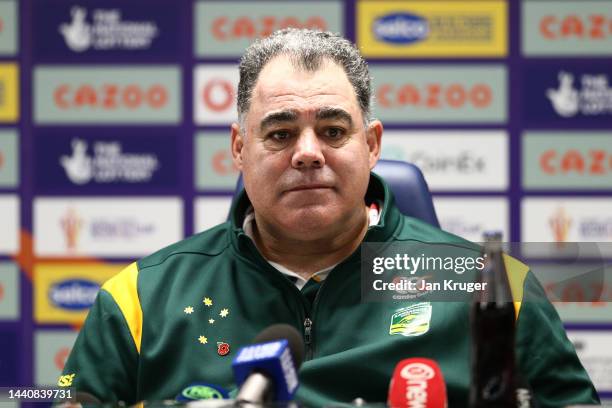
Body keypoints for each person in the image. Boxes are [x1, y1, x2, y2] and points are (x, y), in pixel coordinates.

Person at [58, 29, 599, 407]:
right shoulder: (137, 301)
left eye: (334, 131)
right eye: (280, 132)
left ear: (371, 144)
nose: (308, 152)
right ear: (239, 148)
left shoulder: (494, 290)